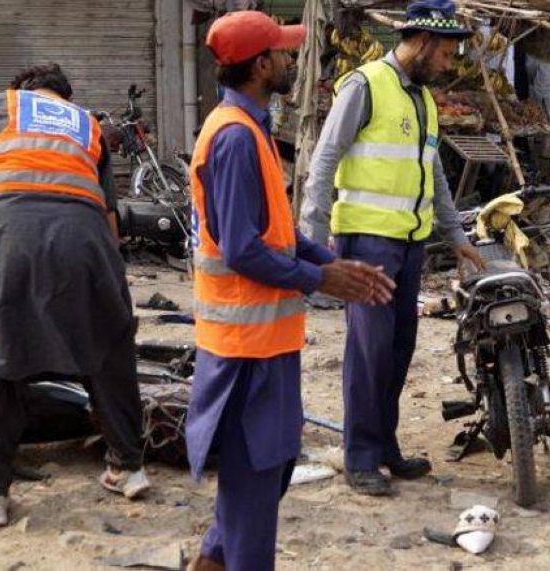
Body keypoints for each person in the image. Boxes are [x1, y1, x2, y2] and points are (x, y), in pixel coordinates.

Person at [184, 12, 395, 571]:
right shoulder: (235, 137)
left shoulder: (248, 129)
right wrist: (320, 278)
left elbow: (277, 233)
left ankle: (212, 561)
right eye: (281, 53)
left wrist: (332, 262)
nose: (290, 60)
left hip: (264, 342)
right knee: (255, 483)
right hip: (245, 351)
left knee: (270, 471)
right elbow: (241, 249)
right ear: (260, 66)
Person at [0, 64, 150, 529]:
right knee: (110, 346)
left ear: (21, 91)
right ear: (64, 97)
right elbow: (110, 214)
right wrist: (108, 281)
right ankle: (128, 467)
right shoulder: (86, 124)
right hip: (86, 237)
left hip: (8, 230)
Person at [301, 0, 485, 497]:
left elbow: (434, 171)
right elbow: (324, 161)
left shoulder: (422, 98)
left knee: (399, 348)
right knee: (370, 352)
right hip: (367, 243)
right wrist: (313, 246)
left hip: (409, 242)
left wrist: (456, 236)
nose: (447, 64)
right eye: (444, 54)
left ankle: (385, 446)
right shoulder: (365, 86)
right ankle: (360, 458)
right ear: (421, 43)